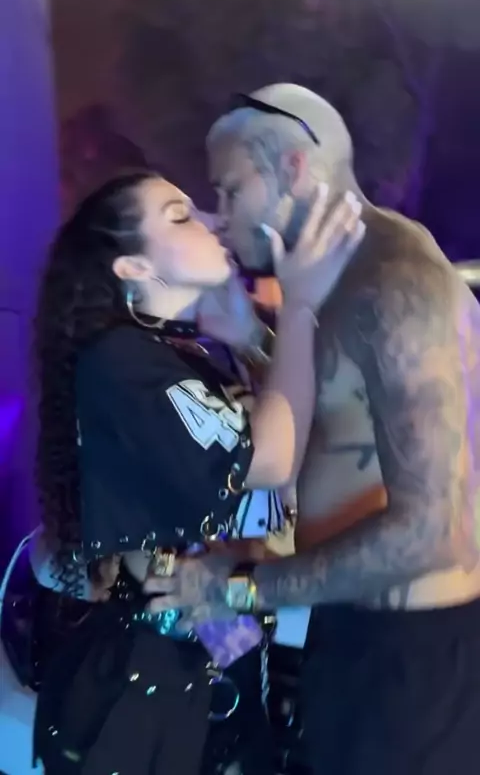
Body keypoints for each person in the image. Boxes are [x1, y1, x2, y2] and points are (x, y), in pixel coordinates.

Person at [146, 84, 480, 775]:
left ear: (294, 170)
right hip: (359, 638)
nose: (220, 214)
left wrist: (242, 588)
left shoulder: (396, 284)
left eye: (231, 189)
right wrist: (250, 336)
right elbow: (340, 406)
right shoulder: (343, 277)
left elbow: (431, 531)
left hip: (409, 666)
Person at [32, 170, 362, 775]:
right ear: (133, 266)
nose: (213, 220)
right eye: (181, 215)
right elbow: (270, 459)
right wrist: (300, 307)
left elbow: (294, 454)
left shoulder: (177, 358)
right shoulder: (119, 360)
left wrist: (249, 336)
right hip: (145, 693)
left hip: (205, 671)